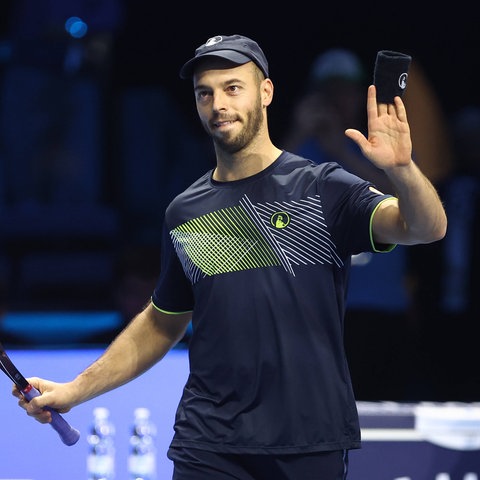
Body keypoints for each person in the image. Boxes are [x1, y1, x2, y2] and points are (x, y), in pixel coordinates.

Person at [13, 34, 447, 480]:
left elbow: (426, 227)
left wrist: (402, 170)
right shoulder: (185, 212)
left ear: (266, 92)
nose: (218, 103)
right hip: (209, 444)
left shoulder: (323, 186)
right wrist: (76, 390)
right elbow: (163, 321)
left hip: (308, 439)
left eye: (233, 87)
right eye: (206, 93)